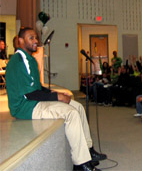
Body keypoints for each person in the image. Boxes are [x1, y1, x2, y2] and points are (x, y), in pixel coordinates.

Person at [5, 27, 106, 171]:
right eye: (31, 38)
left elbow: (37, 87)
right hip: (26, 106)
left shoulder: (30, 60)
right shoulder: (18, 61)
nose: (36, 41)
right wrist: (56, 97)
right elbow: (29, 94)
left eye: (36, 37)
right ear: (20, 41)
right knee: (71, 113)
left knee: (78, 107)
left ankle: (88, 150)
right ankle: (81, 164)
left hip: (34, 100)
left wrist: (54, 92)